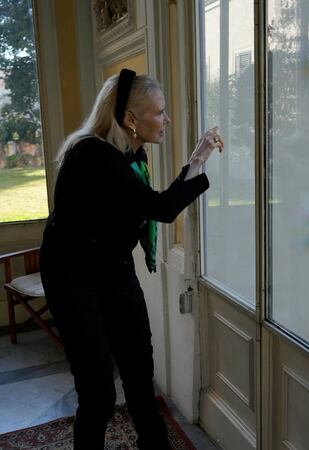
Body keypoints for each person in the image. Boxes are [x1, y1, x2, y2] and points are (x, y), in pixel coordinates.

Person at [39, 69, 223, 449]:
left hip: (114, 269)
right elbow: (161, 208)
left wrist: (196, 160)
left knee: (139, 371)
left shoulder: (129, 155)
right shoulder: (93, 154)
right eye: (159, 112)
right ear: (130, 118)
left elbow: (150, 204)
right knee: (98, 391)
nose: (166, 119)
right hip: (73, 278)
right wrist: (197, 160)